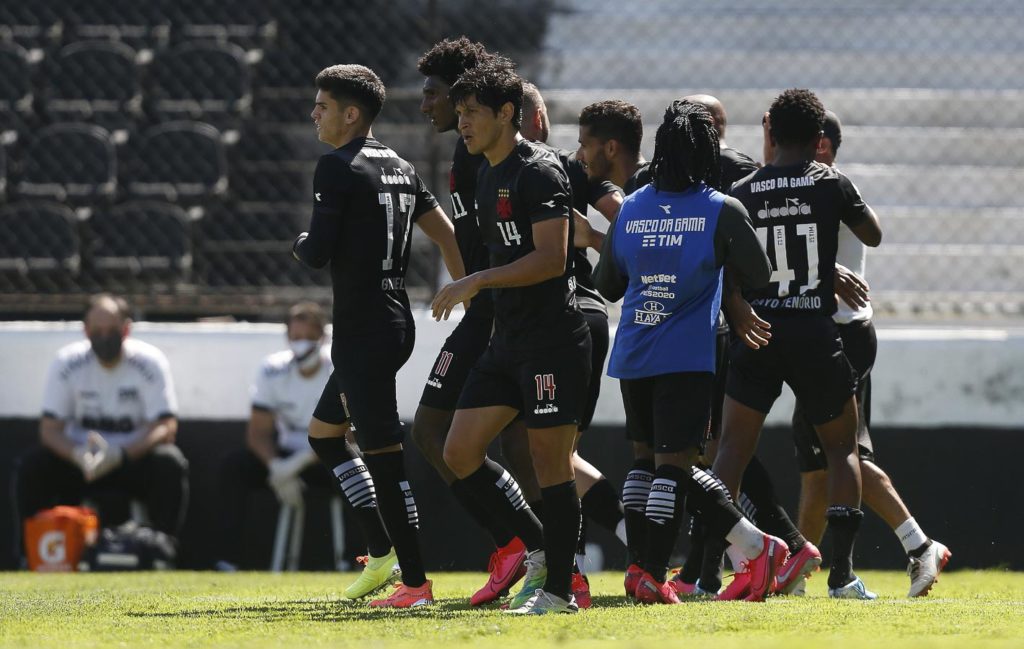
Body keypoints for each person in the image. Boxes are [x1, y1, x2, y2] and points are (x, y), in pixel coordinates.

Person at [593, 99, 785, 605]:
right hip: (688, 355)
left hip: (634, 352)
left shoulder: (631, 207)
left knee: (643, 464)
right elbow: (760, 273)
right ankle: (664, 570)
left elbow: (607, 284)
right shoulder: (721, 209)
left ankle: (642, 569)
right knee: (674, 468)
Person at [292, 63, 463, 608]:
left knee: (385, 458)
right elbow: (447, 235)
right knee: (325, 435)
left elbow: (316, 253)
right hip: (394, 322)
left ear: (350, 114)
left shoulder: (337, 166)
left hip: (364, 331)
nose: (314, 115)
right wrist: (469, 293)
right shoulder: (400, 165)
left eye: (322, 106)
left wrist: (299, 242)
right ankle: (382, 551)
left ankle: (414, 582)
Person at [431, 61, 591, 615]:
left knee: (552, 469)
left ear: (506, 113)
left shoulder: (539, 171)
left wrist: (477, 280)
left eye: (472, 112)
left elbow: (551, 260)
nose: (462, 122)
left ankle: (560, 592)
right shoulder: (485, 172)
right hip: (507, 342)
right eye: (459, 112)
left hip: (552, 343)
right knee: (457, 450)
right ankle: (541, 551)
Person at [712, 88, 884, 600]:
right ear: (817, 137)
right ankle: (842, 576)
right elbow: (872, 234)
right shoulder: (831, 183)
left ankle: (706, 570)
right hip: (813, 330)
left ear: (771, 132)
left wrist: (737, 306)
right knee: (842, 450)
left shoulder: (742, 191)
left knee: (731, 452)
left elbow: (725, 265)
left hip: (759, 331)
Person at [789, 110, 950, 597]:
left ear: (820, 145)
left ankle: (919, 545)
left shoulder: (829, 186)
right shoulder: (810, 186)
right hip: (828, 334)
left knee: (841, 453)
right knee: (818, 465)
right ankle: (796, 576)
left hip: (839, 336)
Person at [670, 94, 820, 600]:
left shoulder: (737, 175)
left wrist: (734, 301)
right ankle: (765, 553)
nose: (703, 132)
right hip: (704, 327)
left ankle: (712, 567)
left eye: (709, 122)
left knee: (714, 450)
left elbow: (770, 241)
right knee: (722, 450)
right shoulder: (669, 173)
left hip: (719, 330)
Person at [415, 37, 532, 607]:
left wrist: (480, 295)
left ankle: (531, 547)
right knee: (449, 438)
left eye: (435, 95)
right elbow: (460, 237)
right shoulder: (468, 156)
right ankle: (525, 546)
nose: (427, 106)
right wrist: (467, 294)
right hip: (483, 311)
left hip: (504, 317)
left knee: (440, 435)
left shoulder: (490, 155)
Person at [520, 81, 626, 608]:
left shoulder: (561, 166)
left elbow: (623, 211)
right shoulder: (485, 171)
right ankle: (579, 564)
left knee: (552, 452)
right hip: (533, 325)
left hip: (570, 318)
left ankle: (572, 570)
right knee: (550, 451)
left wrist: (596, 240)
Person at [13, 294, 187, 554]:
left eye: (112, 331)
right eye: (97, 331)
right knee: (32, 465)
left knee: (169, 461)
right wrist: (77, 454)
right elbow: (49, 430)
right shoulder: (66, 363)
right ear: (86, 331)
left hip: (132, 462)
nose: (105, 338)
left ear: (126, 330)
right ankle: (31, 552)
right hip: (80, 465)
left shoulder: (150, 363)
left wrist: (121, 455)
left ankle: (163, 549)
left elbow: (165, 427)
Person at [213, 302, 356, 571]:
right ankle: (227, 561)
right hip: (284, 456)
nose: (302, 344)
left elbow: (349, 433)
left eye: (309, 337)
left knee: (358, 471)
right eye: (296, 337)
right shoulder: (272, 370)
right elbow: (258, 432)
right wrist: (276, 466)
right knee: (233, 466)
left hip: (328, 457)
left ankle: (357, 560)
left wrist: (300, 463)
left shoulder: (338, 370)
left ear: (323, 337)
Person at [575, 100, 648, 194]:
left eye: (584, 146)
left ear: (611, 148)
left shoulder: (646, 196)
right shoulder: (653, 185)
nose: (578, 156)